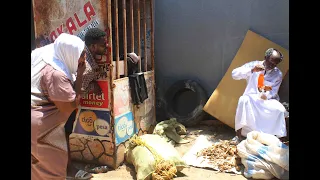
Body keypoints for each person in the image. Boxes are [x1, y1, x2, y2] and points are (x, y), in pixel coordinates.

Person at [31, 33, 86, 179]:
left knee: (39, 170)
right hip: (42, 129)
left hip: (40, 126)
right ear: (70, 54)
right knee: (51, 169)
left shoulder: (51, 59)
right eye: (81, 55)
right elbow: (70, 106)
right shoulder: (57, 75)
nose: (84, 59)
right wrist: (80, 74)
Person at [64, 27, 108, 168]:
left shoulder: (79, 50)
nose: (106, 46)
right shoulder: (87, 66)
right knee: (65, 132)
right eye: (103, 45)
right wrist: (92, 87)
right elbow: (78, 93)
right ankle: (67, 165)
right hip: (65, 103)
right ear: (93, 46)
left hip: (56, 97)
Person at [231, 48, 287, 142]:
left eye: (275, 64)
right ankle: (238, 136)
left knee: (280, 110)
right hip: (251, 98)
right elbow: (234, 74)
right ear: (265, 57)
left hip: (267, 101)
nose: (271, 65)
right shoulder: (253, 64)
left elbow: (274, 91)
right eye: (270, 62)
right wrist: (252, 70)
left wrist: (266, 95)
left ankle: (275, 139)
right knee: (243, 100)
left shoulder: (277, 74)